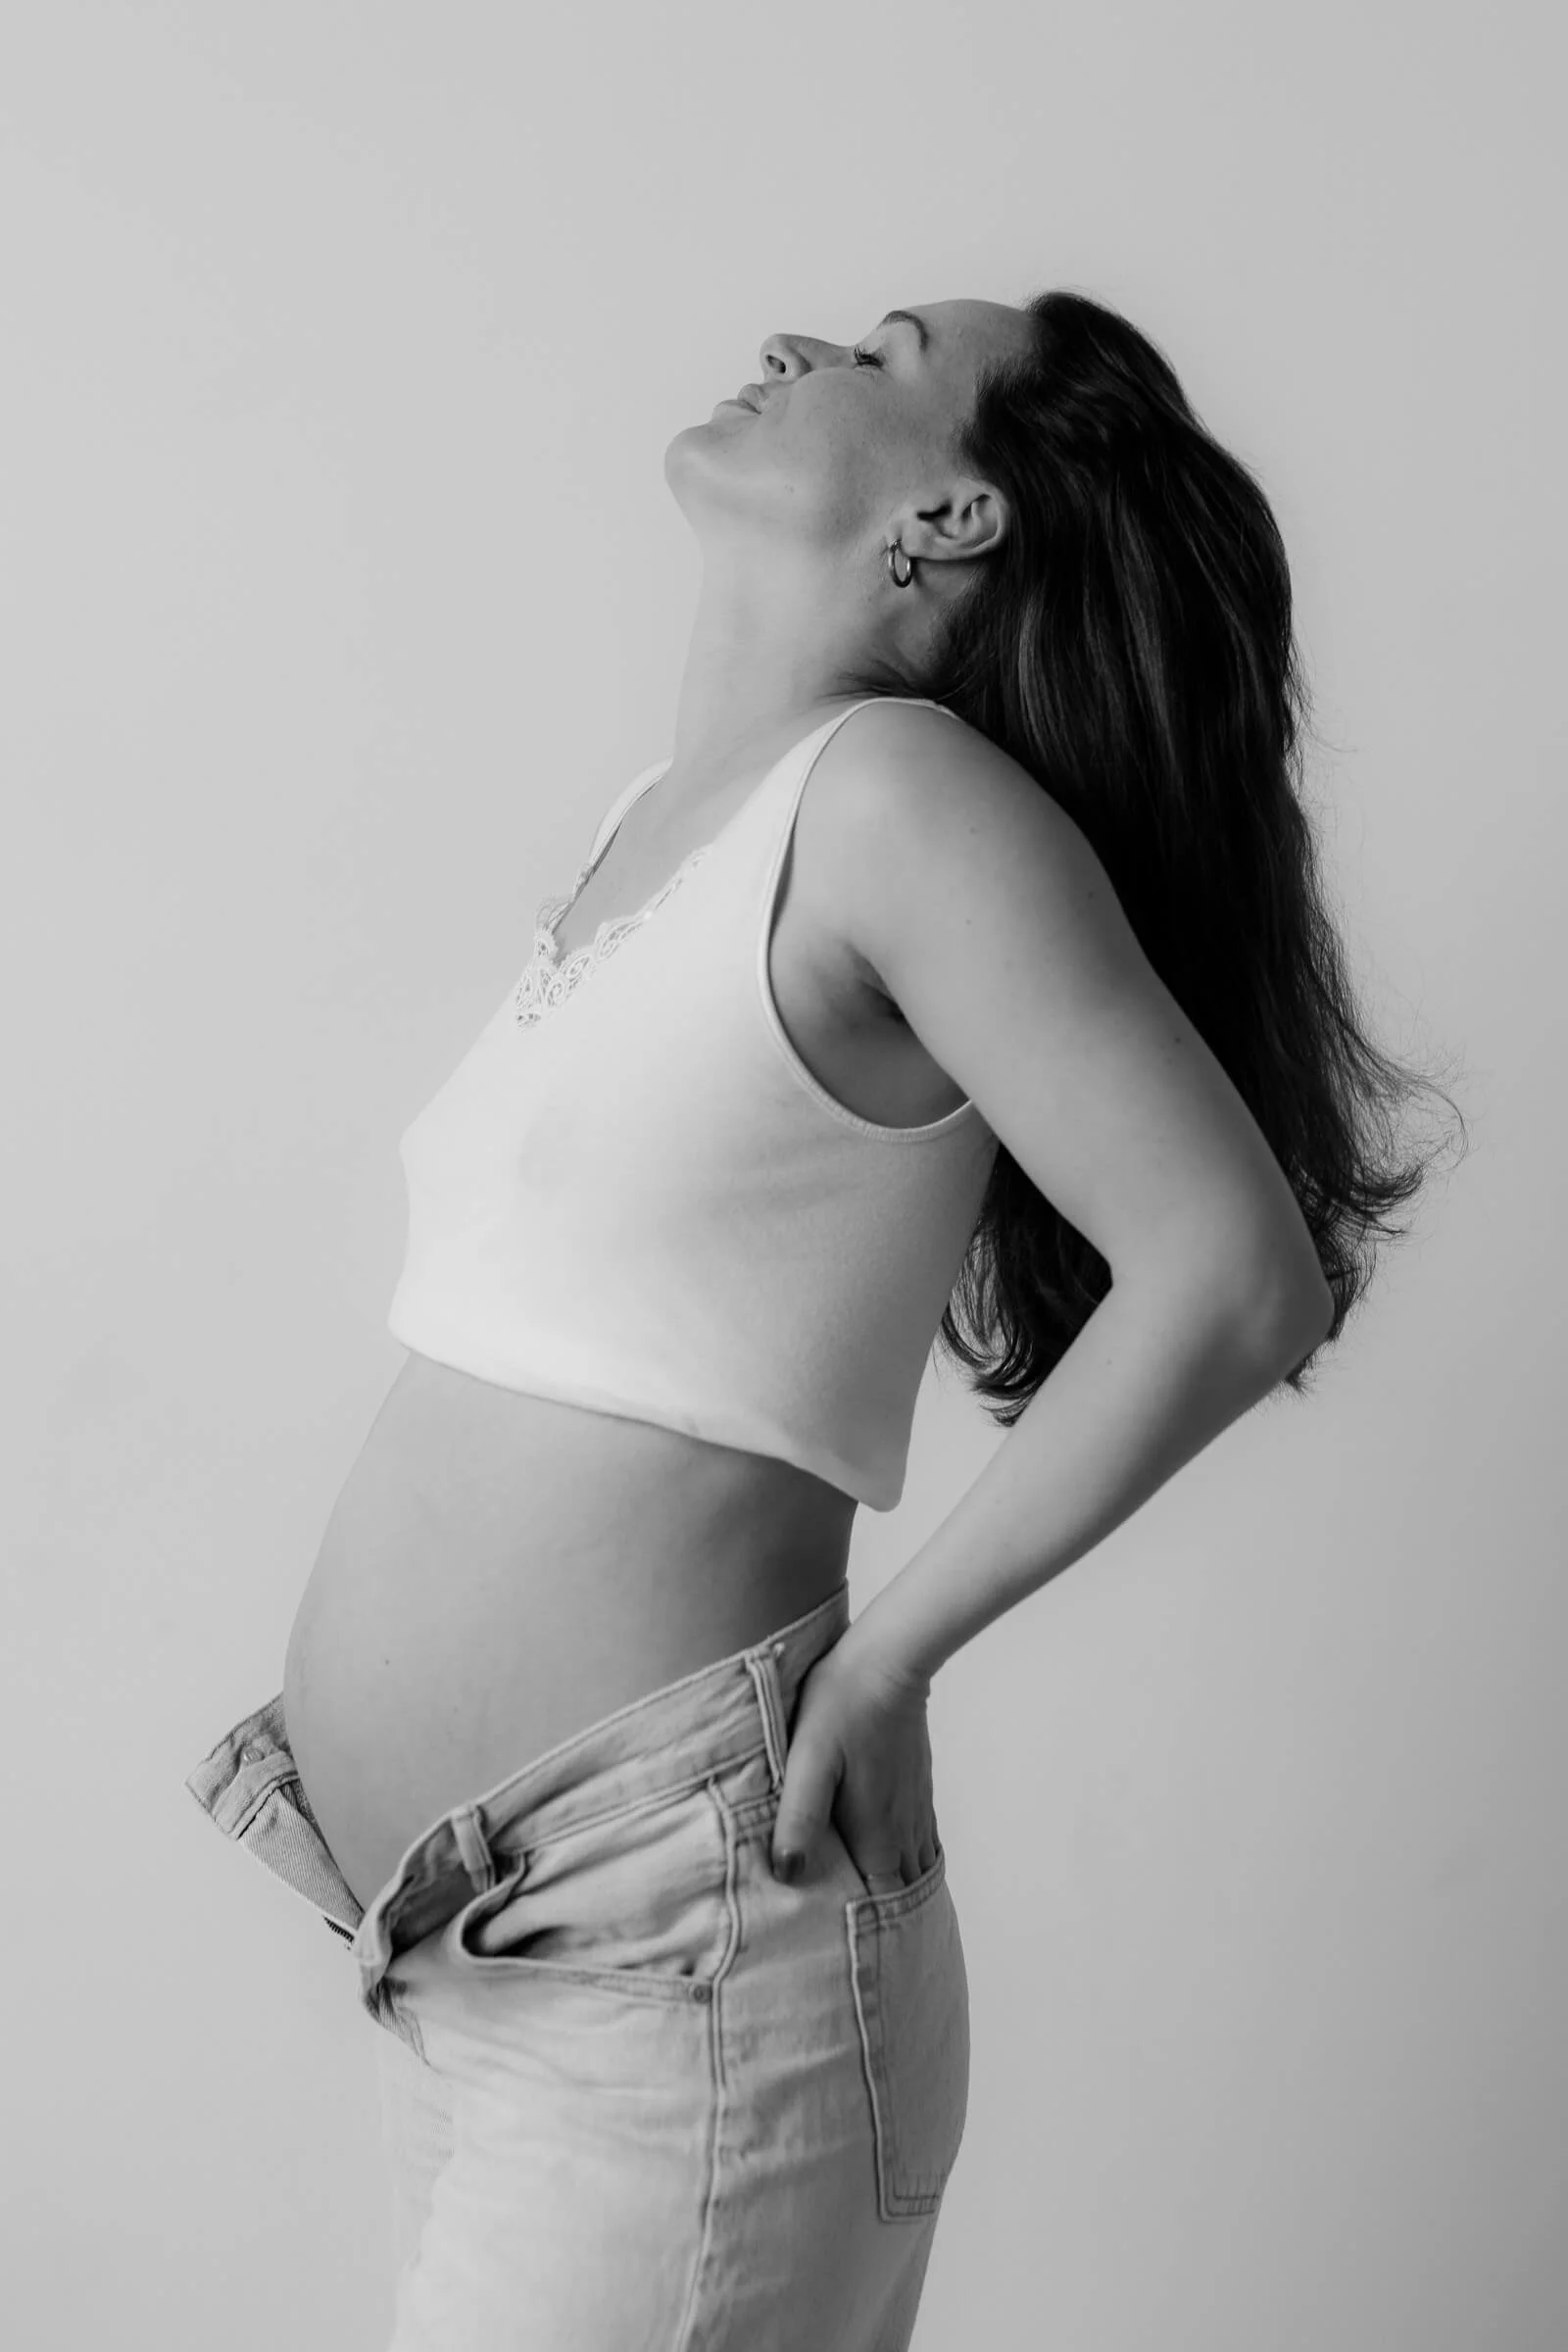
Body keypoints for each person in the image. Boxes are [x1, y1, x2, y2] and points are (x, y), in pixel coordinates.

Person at [184, 289, 1462, 2350]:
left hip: (676, 1970)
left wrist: (885, 1662)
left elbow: (1230, 1272)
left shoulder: (897, 804)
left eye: (879, 347)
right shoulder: (655, 825)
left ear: (953, 516)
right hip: (484, 1955)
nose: (795, 338)